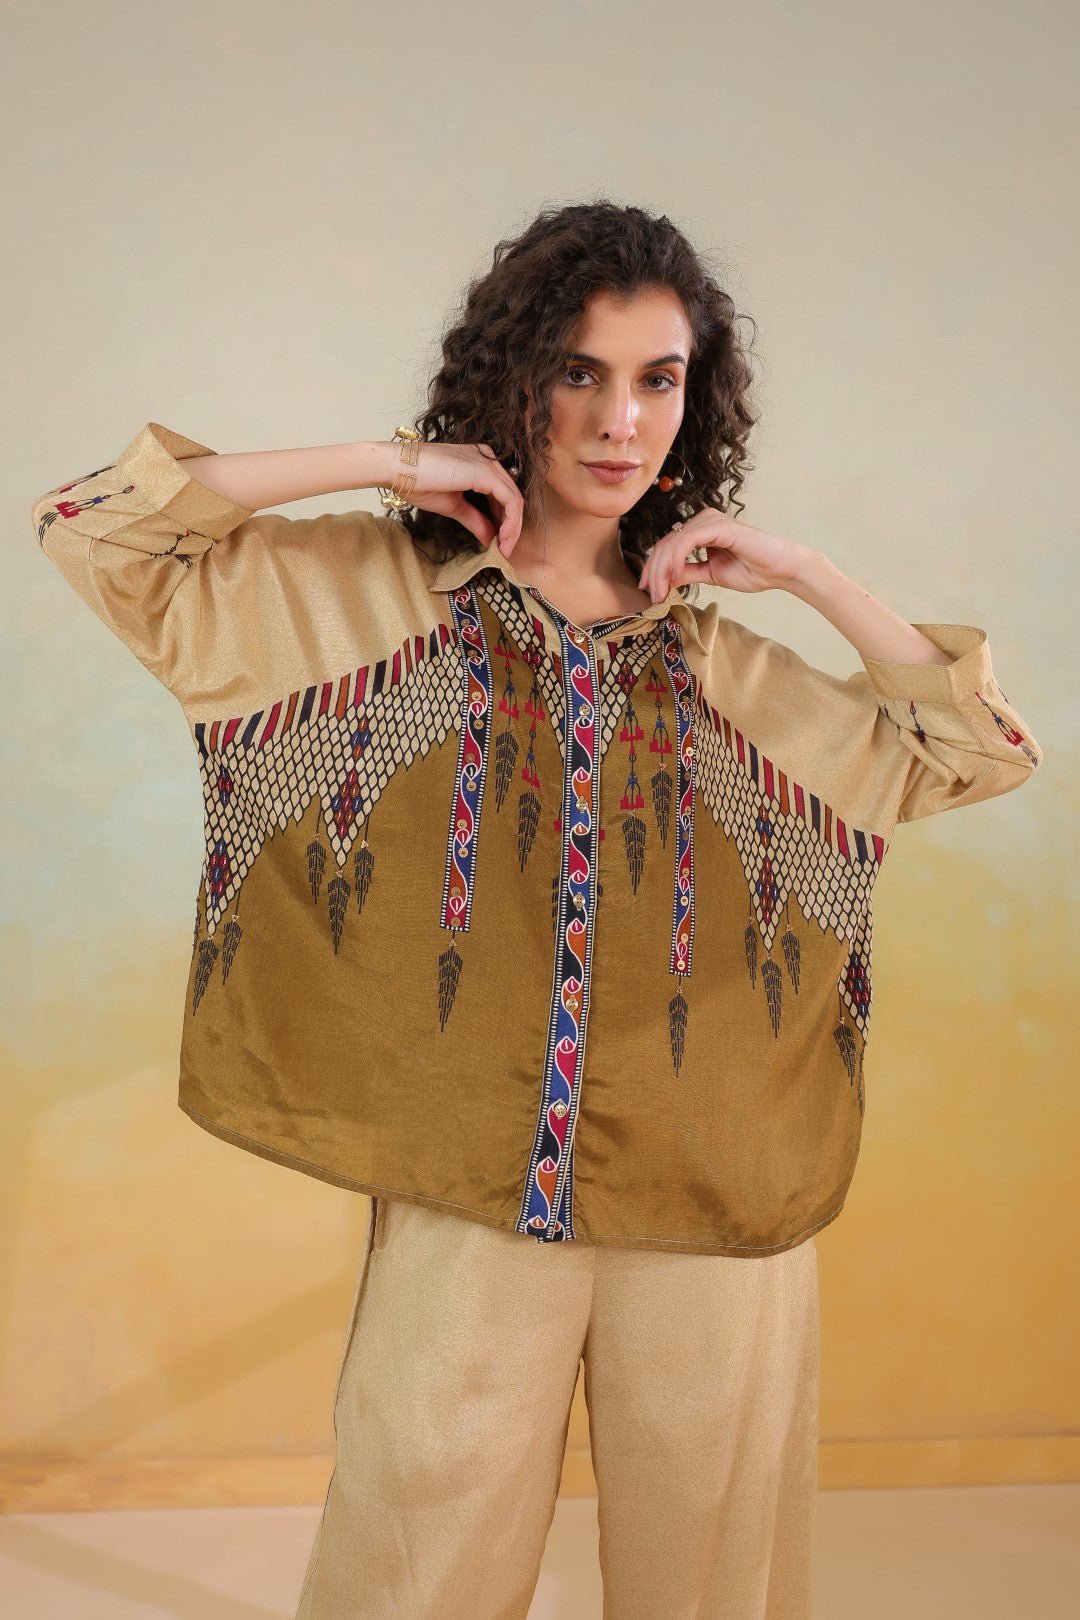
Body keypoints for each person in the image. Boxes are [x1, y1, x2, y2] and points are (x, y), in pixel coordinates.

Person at [32, 199, 1042, 1619]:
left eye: (657, 380)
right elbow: (97, 527)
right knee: (414, 1551)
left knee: (712, 1578)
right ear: (514, 376)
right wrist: (397, 464)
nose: (619, 421)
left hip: (716, 1192)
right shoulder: (370, 600)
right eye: (579, 371)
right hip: (467, 1186)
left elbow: (978, 751)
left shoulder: (727, 669)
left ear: (693, 404)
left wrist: (806, 576)